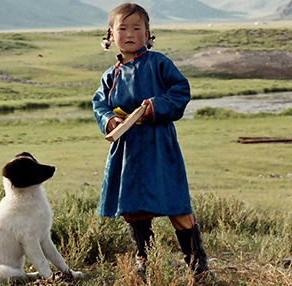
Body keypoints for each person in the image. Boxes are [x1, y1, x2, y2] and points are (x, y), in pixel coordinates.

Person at [92, 3, 214, 282]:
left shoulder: (160, 63)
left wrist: (155, 106)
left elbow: (181, 90)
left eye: (137, 28)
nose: (130, 33)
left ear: (148, 34)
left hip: (159, 144)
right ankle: (144, 264)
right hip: (127, 148)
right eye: (122, 28)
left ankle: (199, 269)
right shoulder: (110, 75)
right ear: (110, 35)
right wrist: (109, 120)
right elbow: (99, 104)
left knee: (176, 205)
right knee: (133, 208)